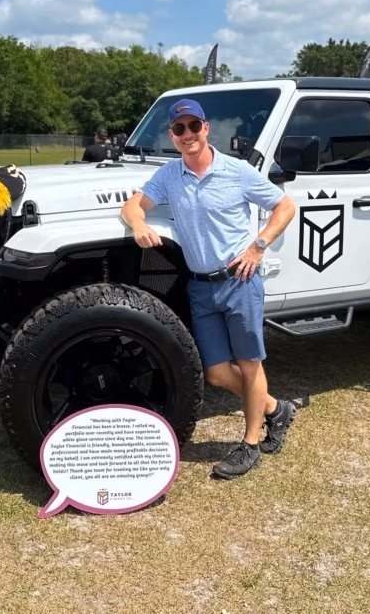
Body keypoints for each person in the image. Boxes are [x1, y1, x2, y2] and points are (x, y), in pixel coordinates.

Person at [120, 99, 298, 479]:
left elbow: (285, 206)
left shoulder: (237, 171)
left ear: (206, 128)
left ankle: (251, 444)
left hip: (239, 281)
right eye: (179, 128)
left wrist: (258, 246)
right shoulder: (169, 175)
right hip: (201, 287)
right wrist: (138, 224)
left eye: (193, 126)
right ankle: (275, 409)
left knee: (249, 364)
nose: (187, 134)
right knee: (216, 372)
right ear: (172, 135)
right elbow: (133, 205)